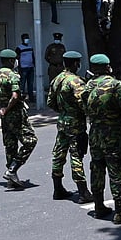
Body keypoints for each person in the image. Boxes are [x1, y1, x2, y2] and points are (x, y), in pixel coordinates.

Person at [85, 53, 121, 224]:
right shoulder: (116, 85)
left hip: (95, 132)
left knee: (97, 168)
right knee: (116, 170)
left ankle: (99, 206)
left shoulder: (87, 86)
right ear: (108, 67)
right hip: (113, 133)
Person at [47, 50, 93, 203]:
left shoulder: (57, 79)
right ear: (75, 64)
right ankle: (83, 192)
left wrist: (64, 111)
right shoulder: (76, 81)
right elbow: (83, 104)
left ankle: (57, 188)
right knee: (76, 156)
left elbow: (50, 102)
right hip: (75, 124)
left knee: (58, 155)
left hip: (62, 122)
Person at [0, 49, 38, 188]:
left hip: (4, 116)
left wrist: (2, 107)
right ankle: (12, 170)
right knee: (30, 141)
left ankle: (12, 180)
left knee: (10, 146)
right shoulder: (13, 75)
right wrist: (8, 108)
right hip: (16, 114)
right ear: (11, 61)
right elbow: (16, 95)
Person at [15, 33, 35, 99]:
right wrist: (19, 67)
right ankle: (21, 98)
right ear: (22, 39)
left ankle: (31, 97)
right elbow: (16, 58)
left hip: (30, 67)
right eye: (25, 38)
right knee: (22, 84)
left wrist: (34, 64)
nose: (27, 39)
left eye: (27, 38)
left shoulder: (30, 47)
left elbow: (32, 56)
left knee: (30, 84)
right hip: (23, 68)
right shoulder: (19, 48)